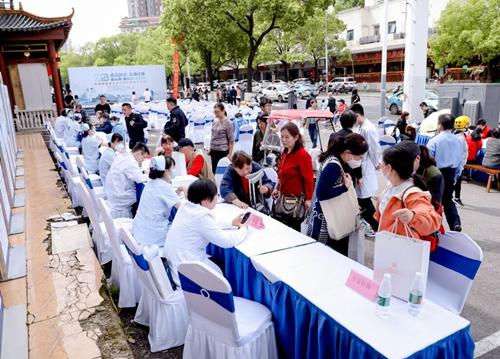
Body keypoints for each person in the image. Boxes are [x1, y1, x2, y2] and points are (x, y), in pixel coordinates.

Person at [164, 179, 248, 285]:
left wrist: (231, 222)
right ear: (206, 200)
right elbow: (226, 242)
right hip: (186, 272)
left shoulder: (186, 206)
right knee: (220, 276)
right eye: (216, 195)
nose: (217, 198)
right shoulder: (202, 216)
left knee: (217, 267)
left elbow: (206, 225)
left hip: (174, 263)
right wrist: (244, 229)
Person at [307, 134, 368, 255]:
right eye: (359, 157)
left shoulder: (335, 159)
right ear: (348, 152)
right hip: (326, 223)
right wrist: (344, 187)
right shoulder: (333, 165)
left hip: (325, 219)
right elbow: (322, 193)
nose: (360, 160)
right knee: (328, 257)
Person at [375, 145, 442, 247]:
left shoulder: (412, 193)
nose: (379, 166)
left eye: (381, 163)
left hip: (402, 249)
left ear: (388, 168)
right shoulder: (391, 186)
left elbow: (433, 219)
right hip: (388, 244)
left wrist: (413, 216)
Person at [427, 114, 467, 232]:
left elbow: (429, 159)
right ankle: (455, 223)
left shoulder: (434, 140)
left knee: (435, 201)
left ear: (440, 125)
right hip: (451, 172)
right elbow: (461, 159)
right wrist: (457, 175)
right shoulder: (459, 140)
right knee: (448, 199)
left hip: (436, 173)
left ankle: (436, 227)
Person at [132, 155, 183, 247]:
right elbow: (182, 208)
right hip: (152, 235)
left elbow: (166, 198)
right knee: (182, 234)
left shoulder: (151, 183)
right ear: (165, 171)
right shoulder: (163, 186)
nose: (174, 171)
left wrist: (178, 191)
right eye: (172, 168)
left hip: (140, 229)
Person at [272, 122, 314, 231]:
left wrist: (308, 199)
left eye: (287, 137)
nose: (283, 140)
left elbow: (309, 179)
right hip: (283, 197)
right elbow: (280, 173)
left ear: (296, 137)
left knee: (294, 229)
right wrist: (276, 188)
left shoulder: (303, 155)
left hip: (297, 200)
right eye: (282, 137)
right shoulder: (285, 153)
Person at [351, 103, 381, 236]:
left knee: (365, 200)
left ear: (357, 115)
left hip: (365, 165)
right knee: (361, 199)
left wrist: (376, 163)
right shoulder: (360, 127)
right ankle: (371, 225)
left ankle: (376, 227)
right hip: (360, 166)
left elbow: (374, 148)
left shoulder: (369, 129)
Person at [104, 143, 149, 218]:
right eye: (143, 158)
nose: (142, 161)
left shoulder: (123, 156)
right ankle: (141, 217)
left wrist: (142, 172)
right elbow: (141, 179)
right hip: (118, 197)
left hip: (110, 191)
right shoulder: (131, 162)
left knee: (138, 190)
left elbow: (132, 173)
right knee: (144, 194)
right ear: (139, 153)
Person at [209, 102, 234, 172]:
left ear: (223, 111)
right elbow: (213, 135)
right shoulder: (215, 121)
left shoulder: (228, 123)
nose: (216, 114)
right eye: (215, 112)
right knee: (214, 170)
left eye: (217, 112)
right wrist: (210, 147)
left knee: (222, 171)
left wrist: (230, 153)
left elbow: (231, 140)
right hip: (213, 149)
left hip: (222, 150)